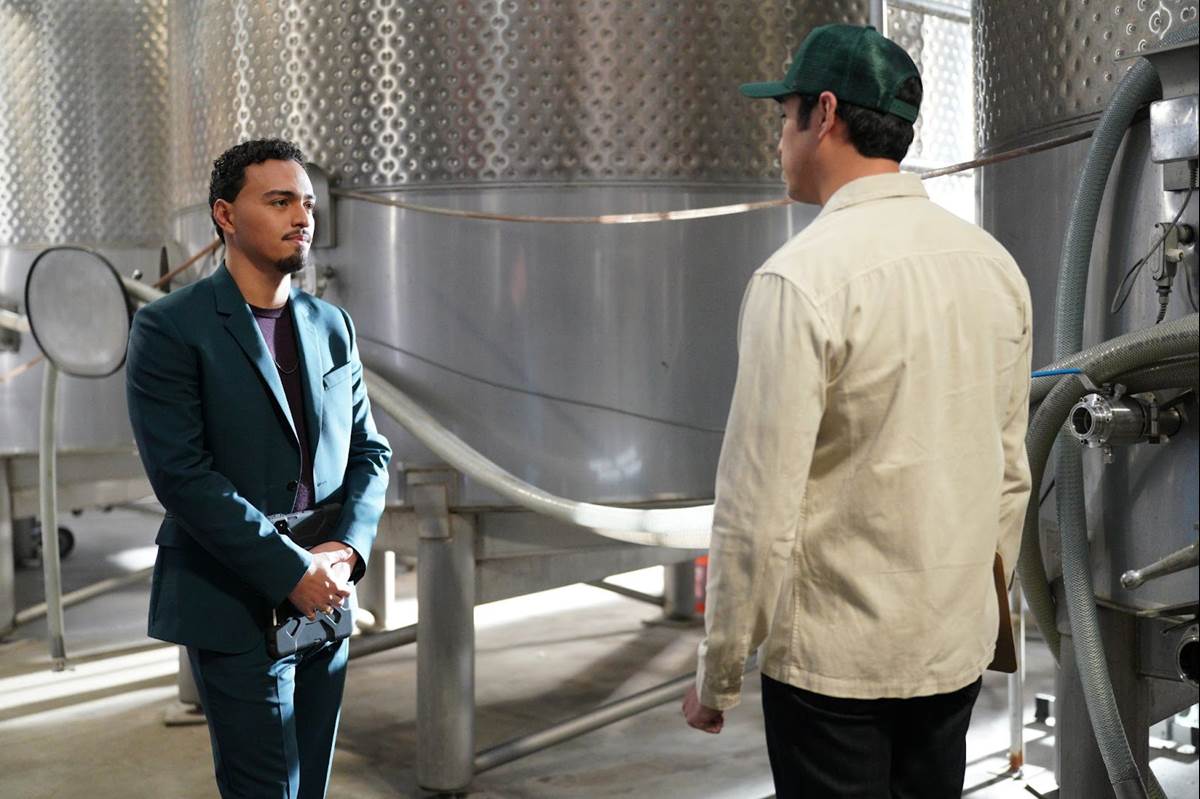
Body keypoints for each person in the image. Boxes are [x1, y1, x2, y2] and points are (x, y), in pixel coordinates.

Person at [680, 24, 1032, 798]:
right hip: (951, 654)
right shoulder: (995, 267)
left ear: (826, 113)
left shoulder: (800, 280)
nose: (779, 137)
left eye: (784, 115)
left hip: (834, 672)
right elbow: (1010, 475)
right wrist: (967, 612)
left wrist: (719, 668)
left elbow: (756, 507)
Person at [126, 138, 391, 799]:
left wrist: (346, 550)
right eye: (278, 202)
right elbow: (183, 476)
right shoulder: (171, 327)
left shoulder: (331, 324)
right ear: (225, 214)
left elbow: (370, 451)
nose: (301, 217)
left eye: (307, 204)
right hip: (233, 594)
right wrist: (290, 569)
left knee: (310, 785)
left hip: (325, 590)